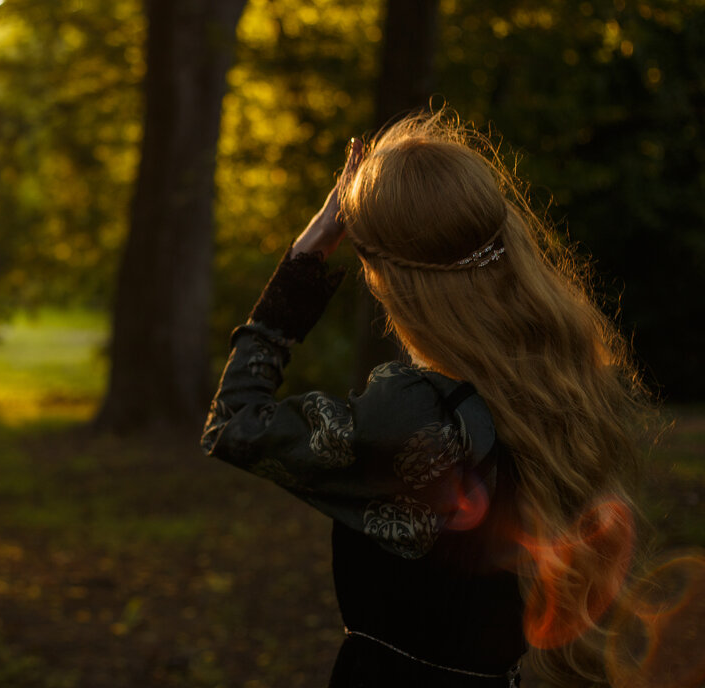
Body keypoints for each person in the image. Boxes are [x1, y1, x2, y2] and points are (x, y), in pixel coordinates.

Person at [201, 111, 650, 687]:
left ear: (382, 273)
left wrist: (307, 254)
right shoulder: (554, 383)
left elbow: (233, 420)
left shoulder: (415, 416)